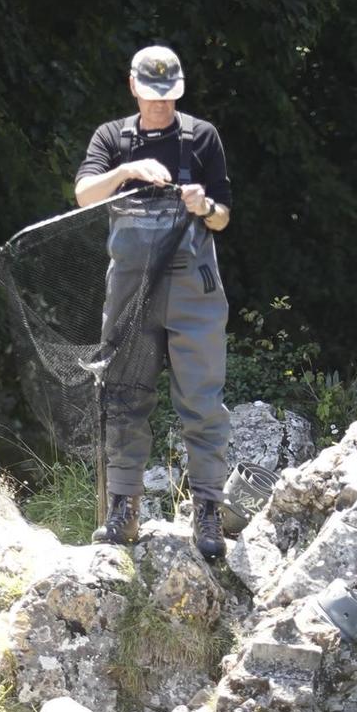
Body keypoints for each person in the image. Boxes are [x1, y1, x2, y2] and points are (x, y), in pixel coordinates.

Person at [74, 46, 232, 561]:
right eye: (152, 95)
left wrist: (203, 204)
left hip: (194, 290)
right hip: (131, 290)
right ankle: (123, 510)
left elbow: (224, 217)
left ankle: (207, 509)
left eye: (169, 96)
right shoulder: (111, 138)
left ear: (179, 91)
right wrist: (126, 171)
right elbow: (83, 196)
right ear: (133, 88)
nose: (161, 104)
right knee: (123, 395)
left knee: (202, 400)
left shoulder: (202, 136)